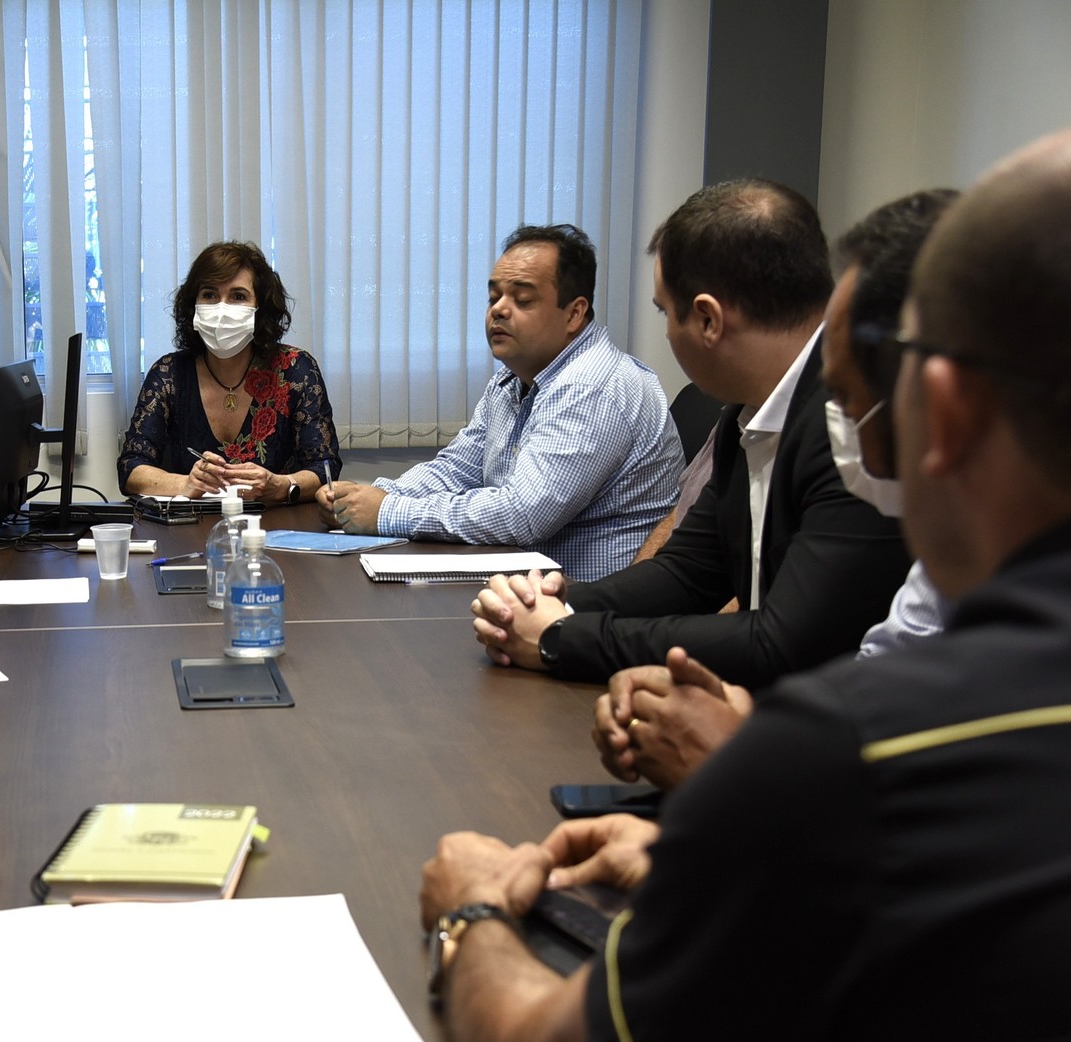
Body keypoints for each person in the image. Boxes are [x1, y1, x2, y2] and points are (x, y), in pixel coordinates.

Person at [419, 114, 1071, 1042]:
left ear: (942, 414)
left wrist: (473, 909)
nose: (861, 453)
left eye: (860, 412)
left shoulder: (856, 759)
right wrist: (745, 865)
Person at [471, 180, 912, 688]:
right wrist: (547, 602)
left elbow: (782, 644)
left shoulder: (853, 425)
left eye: (663, 311)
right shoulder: (746, 416)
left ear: (707, 318)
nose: (664, 330)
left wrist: (560, 638)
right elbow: (687, 572)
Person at [594, 190, 957, 791]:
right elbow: (873, 695)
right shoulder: (948, 565)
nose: (849, 430)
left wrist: (738, 767)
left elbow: (946, 808)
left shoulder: (1070, 617)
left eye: (853, 399)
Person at [318, 225, 682, 581]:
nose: (499, 310)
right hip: (527, 585)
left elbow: (523, 514)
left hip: (590, 606)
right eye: (494, 297)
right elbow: (458, 468)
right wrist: (368, 497)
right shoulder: (512, 379)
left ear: (574, 314)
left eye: (522, 299)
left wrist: (386, 512)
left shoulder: (593, 385)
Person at [118, 241, 340, 503]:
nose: (222, 309)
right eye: (210, 295)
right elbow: (130, 467)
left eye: (238, 296)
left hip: (277, 528)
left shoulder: (296, 370)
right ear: (193, 306)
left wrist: (281, 485)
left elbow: (324, 466)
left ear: (261, 308)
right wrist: (186, 483)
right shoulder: (169, 374)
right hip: (187, 531)